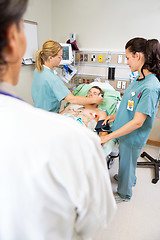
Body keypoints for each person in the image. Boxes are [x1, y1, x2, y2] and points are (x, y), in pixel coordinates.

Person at [0, 0, 116, 239]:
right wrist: (85, 104)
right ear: (15, 42)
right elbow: (97, 217)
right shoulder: (74, 140)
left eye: (97, 93)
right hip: (58, 117)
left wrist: (94, 110)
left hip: (53, 115)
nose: (63, 59)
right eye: (61, 56)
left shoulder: (41, 72)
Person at [101, 37, 160, 203]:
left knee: (127, 163)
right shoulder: (139, 78)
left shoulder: (151, 86)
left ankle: (124, 194)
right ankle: (130, 179)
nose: (126, 62)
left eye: (128, 57)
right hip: (126, 130)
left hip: (133, 135)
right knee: (127, 161)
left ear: (138, 56)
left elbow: (138, 122)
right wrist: (114, 116)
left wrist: (108, 137)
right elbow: (129, 104)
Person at [31, 40, 102, 113]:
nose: (61, 59)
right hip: (49, 117)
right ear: (50, 58)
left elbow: (46, 92)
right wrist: (95, 100)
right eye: (59, 57)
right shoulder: (53, 79)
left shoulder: (38, 70)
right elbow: (72, 99)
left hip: (37, 114)